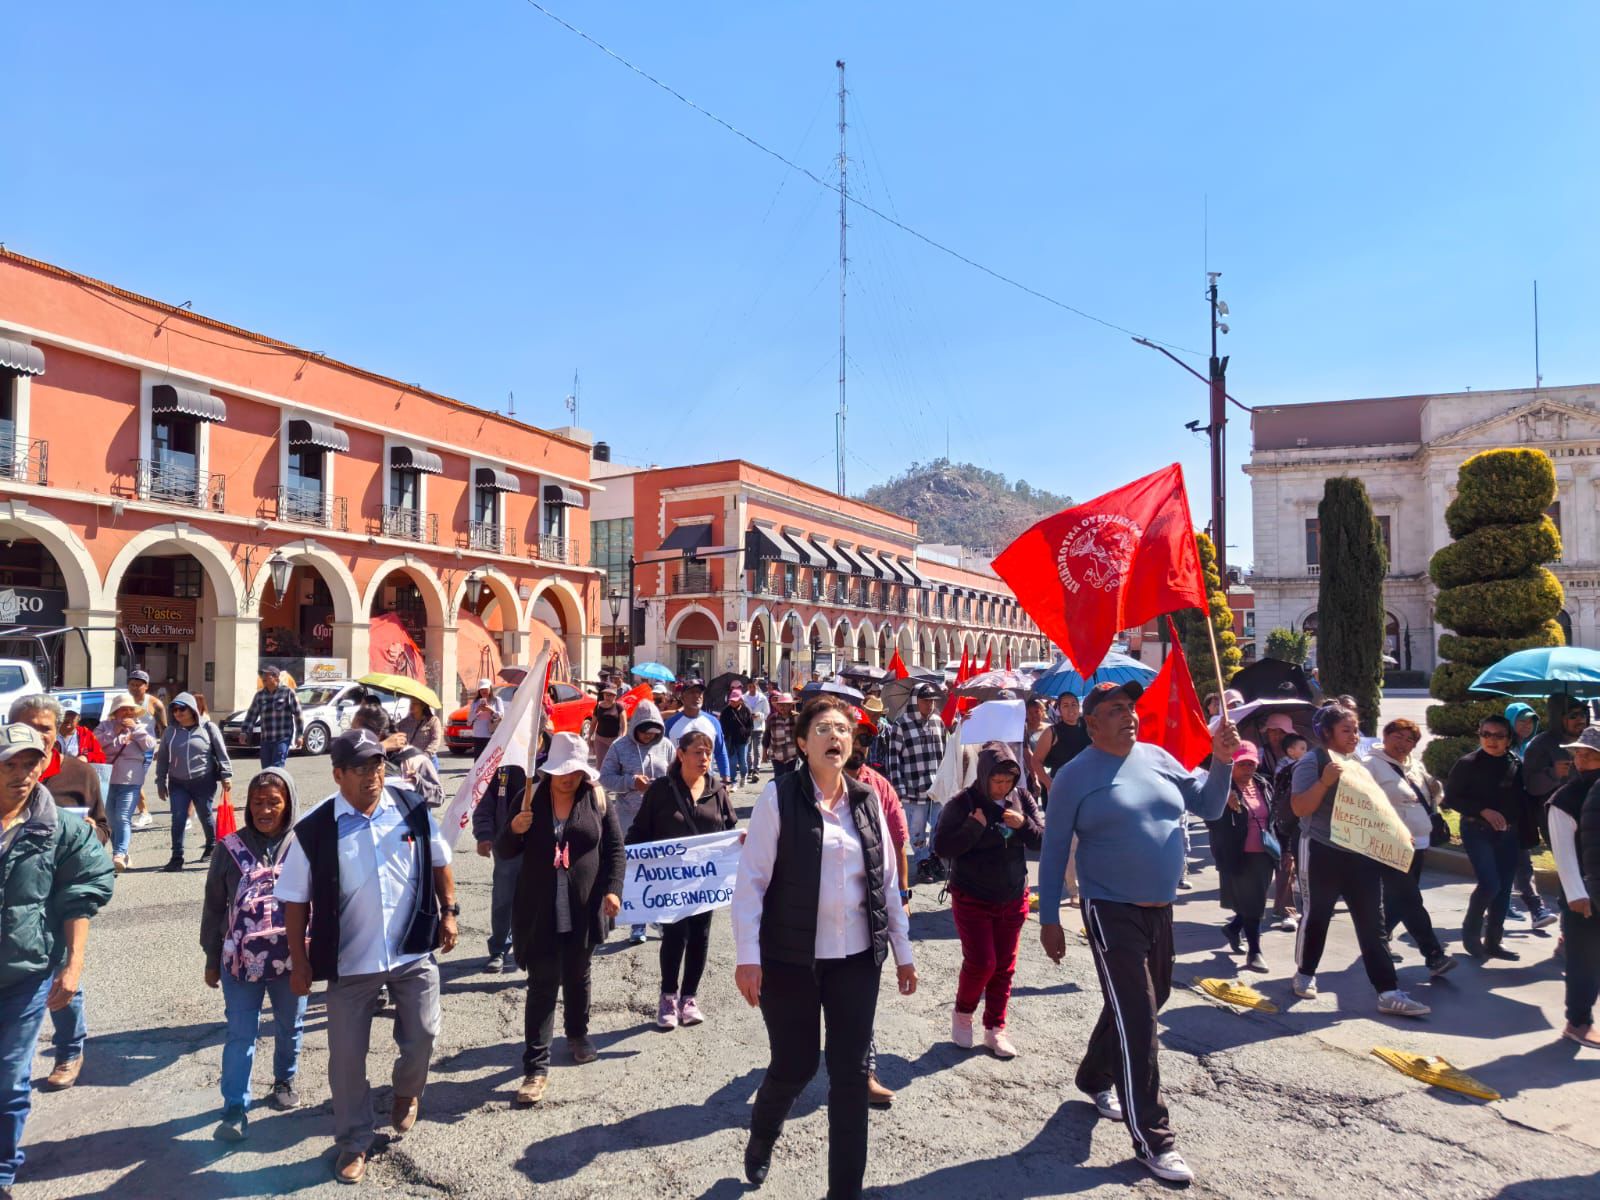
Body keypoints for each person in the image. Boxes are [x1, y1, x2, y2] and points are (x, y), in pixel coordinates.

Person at [1037, 683, 1239, 1184]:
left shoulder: (1159, 758)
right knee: (1139, 1018)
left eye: (1131, 707)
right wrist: (1048, 918)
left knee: (1153, 997)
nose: (1129, 716)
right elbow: (1054, 846)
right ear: (1091, 724)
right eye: (1115, 710)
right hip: (1109, 907)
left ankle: (1093, 1075)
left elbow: (1210, 806)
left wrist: (1223, 760)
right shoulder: (1074, 776)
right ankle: (1154, 1138)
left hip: (1160, 908)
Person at [732, 695, 916, 1200]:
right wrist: (748, 956)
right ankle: (763, 1134)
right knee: (795, 1065)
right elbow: (751, 882)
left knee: (852, 1077)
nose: (835, 736)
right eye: (822, 729)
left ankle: (844, 1193)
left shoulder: (867, 799)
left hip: (856, 960)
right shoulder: (778, 797)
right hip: (790, 960)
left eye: (842, 729)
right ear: (800, 743)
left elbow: (884, 882)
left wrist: (902, 951)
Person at [275, 729, 459, 1185]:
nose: (373, 776)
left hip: (411, 950)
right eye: (360, 768)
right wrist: (300, 961)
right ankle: (354, 1141)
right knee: (346, 1060)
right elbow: (294, 899)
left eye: (378, 764)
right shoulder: (315, 828)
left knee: (424, 1034)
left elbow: (440, 860)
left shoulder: (410, 808)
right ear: (337, 774)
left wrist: (449, 912)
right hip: (349, 962)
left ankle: (406, 1090)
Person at [0, 722, 114, 1198]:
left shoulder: (59, 827)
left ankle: (2, 1172)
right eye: (10, 763)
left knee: (8, 1082)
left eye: (31, 763)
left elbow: (81, 894)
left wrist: (73, 967)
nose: (23, 773)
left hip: (25, 974)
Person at [497, 732, 624, 1106]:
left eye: (575, 772)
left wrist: (613, 889)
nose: (568, 778)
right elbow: (505, 851)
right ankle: (535, 1068)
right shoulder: (530, 796)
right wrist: (513, 830)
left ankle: (577, 1034)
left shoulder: (596, 798)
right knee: (542, 984)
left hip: (584, 908)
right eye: (562, 771)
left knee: (578, 973)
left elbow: (615, 850)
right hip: (539, 909)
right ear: (550, 770)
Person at [1289, 705, 1430, 1014]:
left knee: (1372, 923)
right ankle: (1305, 974)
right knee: (1317, 915)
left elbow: (1376, 808)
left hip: (1361, 854)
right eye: (1346, 730)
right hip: (1321, 851)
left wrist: (1396, 832)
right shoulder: (1312, 763)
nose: (1354, 736)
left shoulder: (1358, 765)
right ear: (1326, 733)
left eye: (1356, 729)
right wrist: (1325, 781)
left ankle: (1388, 992)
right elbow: (1300, 808)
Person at [200, 768, 307, 1140]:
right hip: (239, 963)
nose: (265, 810)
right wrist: (212, 959)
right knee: (240, 1034)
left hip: (293, 960)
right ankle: (234, 1108)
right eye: (258, 803)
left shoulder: (304, 846)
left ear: (288, 803)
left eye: (274, 803)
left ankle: (284, 1080)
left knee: (289, 1026)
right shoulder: (228, 848)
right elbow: (214, 907)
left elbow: (323, 903)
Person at [9, 696, 109, 1094]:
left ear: (58, 730)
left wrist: (90, 833)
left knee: (65, 974)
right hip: (15, 897)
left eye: (45, 728)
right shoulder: (5, 769)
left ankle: (69, 1049)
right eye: (28, 727)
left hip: (59, 899)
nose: (38, 735)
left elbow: (104, 828)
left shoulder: (80, 773)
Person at [933, 742, 1042, 1059]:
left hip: (1012, 894)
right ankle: (963, 1012)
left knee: (1004, 966)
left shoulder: (1021, 799)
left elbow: (1042, 839)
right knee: (983, 962)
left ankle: (996, 1028)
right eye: (997, 781)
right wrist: (973, 826)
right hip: (972, 896)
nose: (1003, 787)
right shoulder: (964, 803)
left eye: (1009, 781)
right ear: (983, 777)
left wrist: (1024, 826)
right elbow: (942, 847)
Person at [627, 730, 737, 1030]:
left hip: (705, 882)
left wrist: (742, 842)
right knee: (675, 936)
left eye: (708, 752)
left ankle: (689, 998)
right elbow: (640, 831)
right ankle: (668, 996)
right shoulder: (661, 790)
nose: (704, 758)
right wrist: (625, 857)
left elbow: (729, 828)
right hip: (670, 881)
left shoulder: (716, 788)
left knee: (701, 937)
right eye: (698, 752)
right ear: (681, 754)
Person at [844, 729, 909, 1107]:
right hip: (812, 921)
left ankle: (864, 1073)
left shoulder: (879, 788)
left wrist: (902, 894)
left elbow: (898, 842)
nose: (858, 748)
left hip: (867, 912)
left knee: (860, 1000)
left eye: (864, 742)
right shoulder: (797, 789)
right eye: (854, 738)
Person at [1365, 719, 1456, 977]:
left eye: (1410, 740)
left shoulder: (1415, 765)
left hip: (1420, 840)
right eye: (1399, 737)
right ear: (1386, 735)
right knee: (1410, 898)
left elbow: (1431, 797)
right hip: (1391, 842)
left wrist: (1435, 788)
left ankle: (1376, 940)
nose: (1403, 744)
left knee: (1399, 898)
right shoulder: (1371, 765)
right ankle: (1434, 955)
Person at [1445, 713, 1538, 961]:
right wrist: (1482, 810)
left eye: (1498, 736)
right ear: (1480, 735)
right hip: (1477, 830)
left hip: (1508, 834)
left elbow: (1527, 799)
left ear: (1509, 739)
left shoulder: (1516, 764)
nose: (1492, 740)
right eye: (1486, 734)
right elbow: (1451, 798)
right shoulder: (1468, 763)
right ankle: (1471, 934)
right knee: (1490, 884)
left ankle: (1494, 941)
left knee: (1504, 889)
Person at [597, 700, 673, 945]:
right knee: (635, 872)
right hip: (629, 819)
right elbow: (605, 778)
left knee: (660, 871)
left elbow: (676, 777)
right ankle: (637, 923)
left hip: (661, 818)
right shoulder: (620, 746)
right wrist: (631, 782)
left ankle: (659, 918)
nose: (649, 736)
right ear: (636, 727)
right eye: (644, 731)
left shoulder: (667, 746)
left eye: (653, 732)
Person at [1548, 724, 1600, 1048]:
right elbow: (1562, 850)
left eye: (1590, 754)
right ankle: (1577, 1023)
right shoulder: (1564, 798)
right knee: (1584, 961)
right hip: (1583, 894)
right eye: (1579, 753)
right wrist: (1576, 894)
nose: (1582, 759)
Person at [1206, 740, 1277, 973]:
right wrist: (1224, 805)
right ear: (1232, 764)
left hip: (1265, 853)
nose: (1248, 769)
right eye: (1243, 763)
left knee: (1255, 900)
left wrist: (1286, 850)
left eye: (1252, 763)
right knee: (1253, 903)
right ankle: (1255, 951)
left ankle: (1234, 928)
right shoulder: (1221, 788)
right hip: (1237, 853)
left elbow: (1274, 818)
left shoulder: (1263, 784)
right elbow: (1210, 820)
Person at [1515, 696, 1579, 930]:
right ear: (1558, 717)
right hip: (1556, 821)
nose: (1580, 720)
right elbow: (1531, 786)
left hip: (1590, 818)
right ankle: (1569, 932)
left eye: (1583, 714)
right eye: (1573, 715)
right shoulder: (1541, 745)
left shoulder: (1590, 739)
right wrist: (1553, 774)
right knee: (1571, 875)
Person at [155, 692, 233, 872]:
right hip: (177, 783)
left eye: (181, 708)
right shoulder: (170, 732)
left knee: (205, 813)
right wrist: (160, 781)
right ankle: (176, 857)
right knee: (179, 818)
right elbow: (163, 758)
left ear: (192, 709)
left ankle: (212, 845)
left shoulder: (208, 728)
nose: (177, 713)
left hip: (203, 780)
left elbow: (221, 752)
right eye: (174, 709)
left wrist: (226, 775)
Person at [884, 683, 948, 882]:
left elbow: (945, 755)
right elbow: (893, 758)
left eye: (932, 700)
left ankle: (934, 857)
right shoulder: (901, 724)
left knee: (940, 826)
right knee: (917, 829)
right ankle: (922, 862)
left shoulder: (938, 722)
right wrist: (899, 787)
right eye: (925, 700)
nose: (929, 704)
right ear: (915, 701)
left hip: (936, 788)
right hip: (912, 788)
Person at [349, 705, 444, 809]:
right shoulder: (360, 757)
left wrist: (418, 783)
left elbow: (438, 797)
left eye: (356, 733)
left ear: (378, 733)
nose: (352, 737)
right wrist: (381, 747)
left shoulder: (415, 759)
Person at [103, 693, 158, 872]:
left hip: (130, 780)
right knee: (110, 820)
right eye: (123, 709)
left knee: (123, 817)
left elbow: (150, 745)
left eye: (130, 709)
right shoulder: (104, 726)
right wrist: (115, 732)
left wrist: (135, 730)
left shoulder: (140, 727)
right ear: (115, 712)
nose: (127, 712)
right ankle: (122, 853)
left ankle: (119, 853)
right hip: (107, 779)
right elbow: (95, 744)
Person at [1270, 732, 1309, 929]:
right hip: (1288, 824)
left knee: (1295, 869)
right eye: (1300, 748)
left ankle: (1284, 908)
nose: (1304, 752)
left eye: (1305, 748)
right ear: (1289, 751)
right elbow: (1280, 800)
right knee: (1287, 866)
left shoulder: (1311, 767)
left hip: (1306, 825)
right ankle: (1287, 910)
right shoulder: (1286, 770)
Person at [664, 679, 731, 779]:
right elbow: (663, 754)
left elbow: (720, 751)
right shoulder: (670, 724)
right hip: (678, 782)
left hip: (706, 782)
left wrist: (726, 778)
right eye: (692, 692)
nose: (697, 696)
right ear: (682, 698)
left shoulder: (713, 722)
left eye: (699, 692)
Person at [125, 669, 166, 830]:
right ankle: (139, 811)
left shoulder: (155, 703)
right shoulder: (123, 700)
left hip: (145, 747)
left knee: (135, 779)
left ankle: (143, 813)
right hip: (125, 746)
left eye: (138, 685)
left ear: (146, 686)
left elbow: (164, 728)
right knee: (129, 779)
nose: (134, 688)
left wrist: (163, 748)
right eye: (132, 684)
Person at [241, 666, 304, 770]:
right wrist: (244, 732)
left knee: (276, 768)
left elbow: (298, 714)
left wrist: (299, 735)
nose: (263, 677)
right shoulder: (259, 695)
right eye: (262, 675)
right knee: (266, 770)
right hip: (266, 739)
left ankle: (277, 786)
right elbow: (251, 715)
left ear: (276, 677)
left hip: (282, 738)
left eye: (266, 675)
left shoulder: (287, 692)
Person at [1031, 692, 1090, 785]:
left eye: (1074, 704)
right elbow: (1036, 761)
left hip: (1087, 783)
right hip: (1062, 786)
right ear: (1059, 710)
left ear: (1079, 707)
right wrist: (1049, 784)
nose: (1070, 709)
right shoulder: (1051, 732)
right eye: (1065, 706)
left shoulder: (1089, 726)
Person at [718, 685, 755, 788]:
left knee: (742, 761)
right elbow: (722, 725)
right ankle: (733, 780)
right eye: (731, 700)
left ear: (740, 700)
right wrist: (726, 736)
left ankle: (744, 776)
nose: (732, 702)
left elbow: (750, 726)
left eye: (735, 700)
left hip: (743, 741)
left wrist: (746, 733)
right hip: (730, 740)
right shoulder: (726, 711)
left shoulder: (746, 710)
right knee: (732, 761)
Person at [589, 685, 625, 774]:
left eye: (610, 695)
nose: (608, 697)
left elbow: (624, 724)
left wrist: (622, 737)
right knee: (600, 764)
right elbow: (593, 723)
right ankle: (600, 783)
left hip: (615, 740)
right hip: (600, 739)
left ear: (615, 696)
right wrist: (589, 737)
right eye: (606, 694)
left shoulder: (619, 707)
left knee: (615, 763)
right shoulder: (598, 706)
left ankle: (614, 783)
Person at [397, 698, 443, 767]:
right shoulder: (405, 722)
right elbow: (397, 735)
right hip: (410, 759)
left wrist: (425, 755)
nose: (411, 705)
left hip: (428, 760)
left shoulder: (433, 720)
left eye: (415, 704)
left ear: (423, 706)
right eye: (411, 703)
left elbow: (435, 740)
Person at [467, 680, 504, 763]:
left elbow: (501, 715)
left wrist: (490, 710)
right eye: (481, 689)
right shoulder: (476, 702)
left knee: (490, 760)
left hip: (492, 734)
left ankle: (492, 776)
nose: (484, 691)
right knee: (478, 760)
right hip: (478, 735)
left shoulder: (496, 700)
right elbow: (469, 720)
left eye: (485, 689)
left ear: (490, 689)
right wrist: (477, 710)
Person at [767, 692, 799, 778]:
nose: (782, 707)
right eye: (780, 705)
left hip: (793, 754)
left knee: (792, 778)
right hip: (776, 754)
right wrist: (764, 753)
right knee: (779, 779)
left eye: (786, 705)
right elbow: (767, 735)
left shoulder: (797, 718)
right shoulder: (772, 718)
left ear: (790, 706)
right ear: (777, 706)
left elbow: (803, 735)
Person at [746, 679, 770, 784]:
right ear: (748, 687)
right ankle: (750, 768)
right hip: (746, 727)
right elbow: (741, 711)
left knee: (757, 749)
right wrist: (747, 717)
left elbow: (767, 712)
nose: (752, 689)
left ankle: (756, 770)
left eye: (754, 687)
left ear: (757, 686)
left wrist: (759, 715)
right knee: (748, 750)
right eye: (750, 687)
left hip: (758, 727)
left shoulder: (762, 698)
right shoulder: (743, 698)